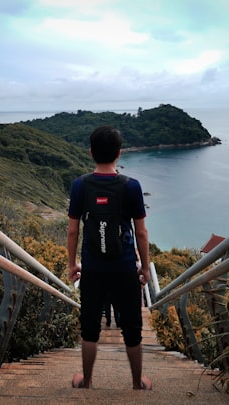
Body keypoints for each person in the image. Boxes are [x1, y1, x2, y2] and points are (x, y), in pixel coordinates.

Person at [67, 125, 152, 390]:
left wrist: (72, 265)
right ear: (119, 153)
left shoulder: (80, 185)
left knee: (90, 328)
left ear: (91, 152)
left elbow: (72, 231)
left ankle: (87, 381)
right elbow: (141, 232)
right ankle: (137, 383)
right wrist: (145, 268)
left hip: (92, 268)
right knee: (132, 329)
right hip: (125, 266)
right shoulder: (131, 187)